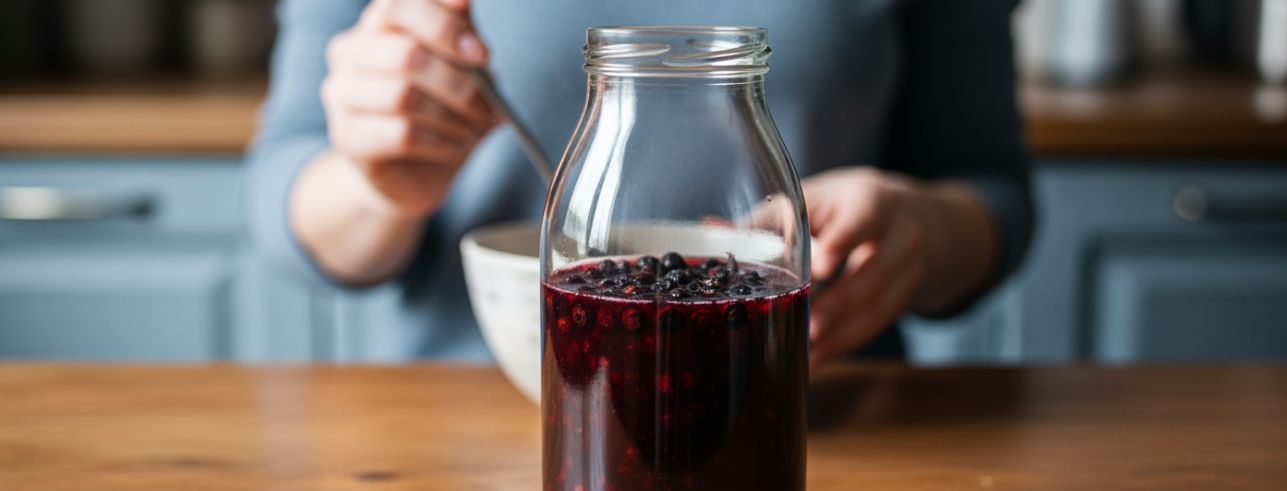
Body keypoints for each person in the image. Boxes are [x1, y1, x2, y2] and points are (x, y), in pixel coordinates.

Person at [246, 0, 1032, 366]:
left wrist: (916, 230)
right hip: (451, 429)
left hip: (822, 421)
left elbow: (993, 188)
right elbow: (286, 194)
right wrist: (379, 183)